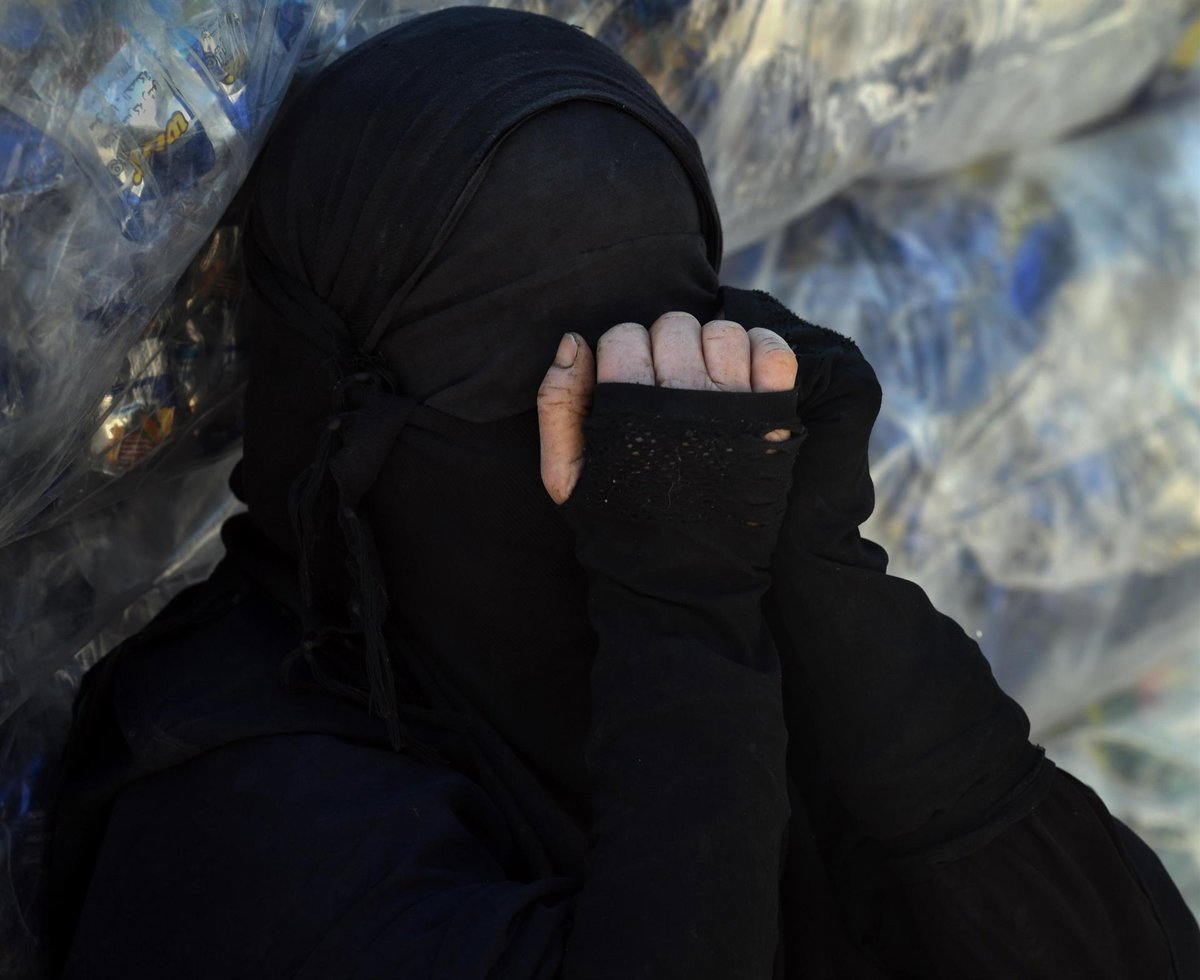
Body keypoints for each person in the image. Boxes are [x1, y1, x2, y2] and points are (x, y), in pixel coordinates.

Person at [47, 8, 1199, 979]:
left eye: (656, 358)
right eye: (522, 393)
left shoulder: (707, 611)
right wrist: (682, 615)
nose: (610, 439)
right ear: (333, 422)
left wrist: (825, 569)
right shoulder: (232, 809)